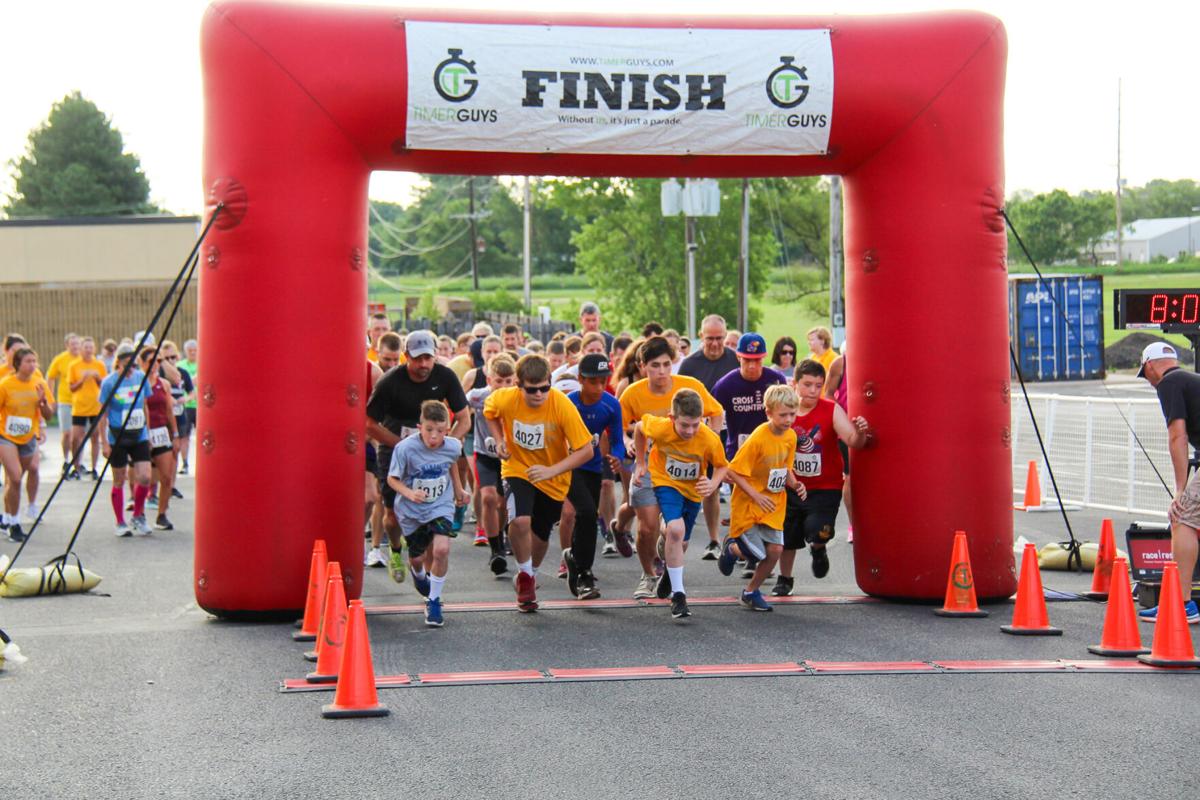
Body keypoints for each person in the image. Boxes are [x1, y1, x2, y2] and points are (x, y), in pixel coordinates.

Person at [483, 353, 594, 612]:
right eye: (532, 390)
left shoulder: (562, 405)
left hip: (553, 477)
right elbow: (490, 412)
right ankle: (524, 576)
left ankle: (530, 573)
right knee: (520, 520)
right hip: (517, 468)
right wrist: (500, 440)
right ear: (518, 386)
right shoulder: (505, 397)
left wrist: (551, 470)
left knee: (541, 534)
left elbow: (586, 450)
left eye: (545, 388)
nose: (539, 394)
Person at [616, 336, 724, 599]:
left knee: (677, 533)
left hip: (684, 469)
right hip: (650, 466)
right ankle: (648, 574)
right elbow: (620, 428)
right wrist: (631, 445)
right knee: (647, 526)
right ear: (642, 366)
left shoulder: (690, 387)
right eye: (655, 365)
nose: (662, 371)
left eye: (666, 364)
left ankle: (666, 566)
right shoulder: (633, 393)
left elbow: (716, 412)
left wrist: (708, 439)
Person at [366, 330, 470, 584]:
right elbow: (369, 423)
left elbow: (464, 417)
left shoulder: (444, 376)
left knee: (432, 511)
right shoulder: (391, 381)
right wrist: (402, 445)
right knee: (391, 515)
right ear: (406, 357)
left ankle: (430, 579)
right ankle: (395, 549)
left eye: (428, 358)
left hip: (433, 449)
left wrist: (448, 443)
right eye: (417, 359)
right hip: (396, 447)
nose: (424, 365)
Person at [773, 359, 870, 596]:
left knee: (818, 530)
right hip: (792, 486)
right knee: (788, 535)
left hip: (825, 486)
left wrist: (860, 433)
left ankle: (818, 548)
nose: (813, 391)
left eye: (818, 385)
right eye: (807, 385)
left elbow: (853, 441)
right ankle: (785, 579)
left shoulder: (830, 409)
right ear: (794, 383)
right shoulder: (785, 411)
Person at [632, 388, 729, 619]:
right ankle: (679, 595)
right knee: (677, 529)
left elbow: (723, 466)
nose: (690, 431)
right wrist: (640, 462)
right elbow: (638, 428)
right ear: (672, 418)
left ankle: (669, 569)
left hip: (692, 491)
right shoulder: (660, 427)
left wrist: (713, 483)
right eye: (684, 425)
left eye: (695, 425)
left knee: (679, 542)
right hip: (665, 482)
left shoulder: (708, 438)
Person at [717, 385, 805, 611]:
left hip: (774, 503)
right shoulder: (758, 438)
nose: (788, 420)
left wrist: (795, 484)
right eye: (783, 415)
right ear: (769, 413)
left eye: (792, 414)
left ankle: (751, 591)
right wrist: (755, 495)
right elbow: (733, 471)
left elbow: (785, 467)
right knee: (755, 553)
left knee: (774, 551)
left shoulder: (791, 436)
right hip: (749, 502)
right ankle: (731, 548)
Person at [387, 399, 470, 627]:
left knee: (442, 549)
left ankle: (434, 601)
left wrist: (459, 488)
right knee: (417, 558)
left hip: (440, 505)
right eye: (429, 430)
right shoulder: (405, 448)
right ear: (419, 426)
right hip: (411, 510)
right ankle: (419, 575)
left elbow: (450, 462)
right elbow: (392, 479)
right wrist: (409, 492)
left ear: (447, 429)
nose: (434, 437)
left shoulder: (452, 445)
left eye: (441, 431)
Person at [1136, 342, 1200, 623]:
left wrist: (1180, 490)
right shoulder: (1191, 380)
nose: (1148, 382)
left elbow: (1178, 436)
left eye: (1145, 374)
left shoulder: (1169, 383)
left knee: (1182, 517)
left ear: (1150, 366)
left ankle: (1182, 604)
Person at [561, 353, 626, 599]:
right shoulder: (569, 402)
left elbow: (618, 440)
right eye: (592, 381)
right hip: (569, 466)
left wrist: (617, 456)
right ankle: (585, 574)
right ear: (580, 379)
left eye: (603, 381)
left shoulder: (611, 404)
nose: (599, 387)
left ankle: (574, 558)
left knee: (588, 518)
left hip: (593, 466)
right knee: (586, 512)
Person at [678, 314, 741, 560]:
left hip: (731, 432)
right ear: (700, 337)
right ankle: (714, 540)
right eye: (709, 339)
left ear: (726, 337)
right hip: (701, 433)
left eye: (719, 339)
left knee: (738, 483)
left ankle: (738, 535)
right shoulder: (690, 365)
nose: (715, 344)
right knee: (710, 488)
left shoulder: (735, 360)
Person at [466, 354, 516, 575]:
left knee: (503, 503)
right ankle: (495, 550)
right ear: (489, 380)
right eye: (499, 381)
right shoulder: (477, 397)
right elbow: (457, 406)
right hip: (485, 454)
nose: (503, 386)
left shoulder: (519, 398)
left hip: (509, 458)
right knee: (488, 497)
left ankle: (503, 536)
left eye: (508, 382)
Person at [97, 344, 154, 536]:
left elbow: (145, 405)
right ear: (119, 362)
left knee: (145, 476)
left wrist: (149, 432)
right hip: (117, 436)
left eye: (133, 363)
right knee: (119, 478)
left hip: (139, 434)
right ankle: (120, 521)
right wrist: (104, 442)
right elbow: (103, 414)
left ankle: (138, 515)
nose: (131, 367)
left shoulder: (141, 378)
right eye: (127, 362)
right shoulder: (109, 382)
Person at [0, 348, 53, 542]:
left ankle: (7, 516)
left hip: (28, 438)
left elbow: (48, 415)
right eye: (28, 361)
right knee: (14, 478)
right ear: (18, 364)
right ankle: (14, 523)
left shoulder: (39, 384)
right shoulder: (5, 385)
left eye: (34, 361)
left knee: (14, 482)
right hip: (6, 436)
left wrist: (42, 403)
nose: (32, 365)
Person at [137, 348, 178, 530]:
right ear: (143, 363)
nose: (156, 365)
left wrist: (174, 434)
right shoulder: (138, 382)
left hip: (161, 432)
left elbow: (169, 410)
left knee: (167, 476)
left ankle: (162, 514)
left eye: (158, 361)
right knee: (145, 478)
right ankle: (139, 512)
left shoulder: (164, 384)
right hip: (143, 434)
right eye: (152, 361)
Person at [67, 337, 107, 479]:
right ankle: (77, 466)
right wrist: (82, 380)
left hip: (95, 405)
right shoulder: (74, 365)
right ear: (81, 350)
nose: (88, 350)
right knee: (76, 438)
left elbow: (104, 386)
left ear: (94, 349)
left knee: (95, 436)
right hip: (80, 406)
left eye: (91, 347)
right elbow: (71, 387)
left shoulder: (99, 365)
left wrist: (97, 379)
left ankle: (94, 468)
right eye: (86, 348)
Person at [45, 333, 81, 474]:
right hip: (65, 401)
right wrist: (50, 398)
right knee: (67, 433)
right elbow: (51, 376)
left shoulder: (83, 359)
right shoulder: (60, 359)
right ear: (67, 345)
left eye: (77, 344)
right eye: (72, 344)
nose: (75, 347)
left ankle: (77, 462)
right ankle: (66, 460)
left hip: (81, 403)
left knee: (78, 435)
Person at [177, 339, 199, 475]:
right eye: (189, 350)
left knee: (201, 435)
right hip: (186, 405)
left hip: (200, 405)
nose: (192, 353)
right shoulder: (181, 365)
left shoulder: (203, 363)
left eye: (194, 350)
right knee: (184, 436)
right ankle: (185, 463)